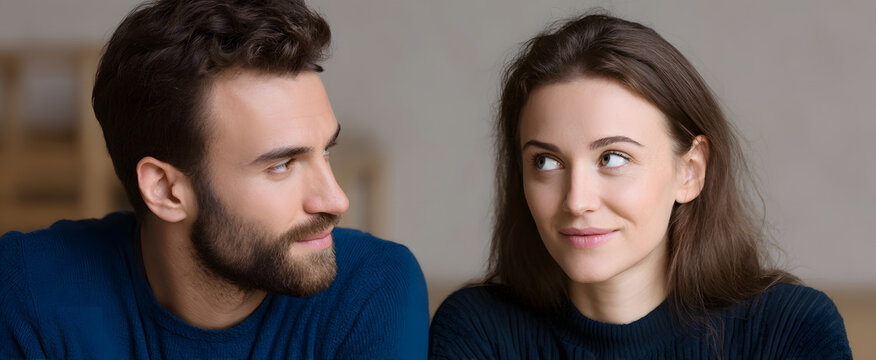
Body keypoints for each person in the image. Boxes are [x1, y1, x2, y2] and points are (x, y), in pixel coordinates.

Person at [0, 0, 428, 358]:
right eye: (282, 165)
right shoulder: (26, 289)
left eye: (325, 152)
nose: (335, 200)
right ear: (166, 190)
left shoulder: (373, 289)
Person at [429, 13, 851, 359]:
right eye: (547, 161)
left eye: (612, 158)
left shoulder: (792, 330)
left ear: (690, 171)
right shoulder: (477, 331)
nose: (577, 201)